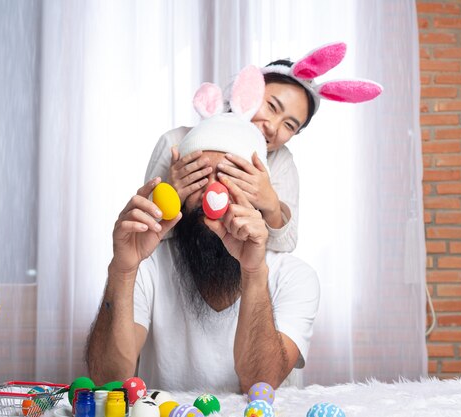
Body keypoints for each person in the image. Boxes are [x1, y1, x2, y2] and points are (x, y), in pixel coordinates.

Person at [86, 65, 320, 393]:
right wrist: (123, 268)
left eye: (231, 178)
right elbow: (106, 383)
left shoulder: (295, 276)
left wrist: (254, 268)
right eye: (200, 176)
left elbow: (260, 384)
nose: (214, 192)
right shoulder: (147, 268)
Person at [144, 42, 382, 253]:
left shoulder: (280, 162)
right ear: (249, 90)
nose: (272, 127)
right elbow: (144, 236)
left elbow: (286, 244)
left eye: (289, 125)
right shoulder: (175, 141)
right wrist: (169, 192)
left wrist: (270, 203)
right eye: (271, 106)